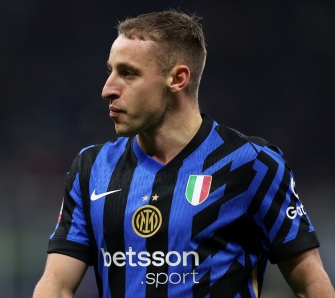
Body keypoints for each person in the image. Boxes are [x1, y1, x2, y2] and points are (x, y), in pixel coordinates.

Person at [32, 10, 335, 298]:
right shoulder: (92, 167)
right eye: (110, 71)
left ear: (177, 79)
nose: (107, 89)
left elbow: (311, 285)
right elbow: (55, 286)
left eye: (128, 73)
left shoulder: (253, 164)